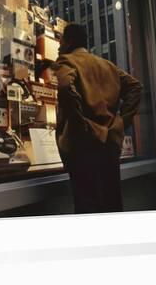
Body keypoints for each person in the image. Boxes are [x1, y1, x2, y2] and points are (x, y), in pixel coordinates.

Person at [53, 23, 142, 213]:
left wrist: (81, 126)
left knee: (87, 208)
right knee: (112, 204)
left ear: (68, 41)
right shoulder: (107, 65)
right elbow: (136, 87)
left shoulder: (66, 61)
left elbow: (65, 89)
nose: (59, 46)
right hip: (110, 145)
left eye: (61, 41)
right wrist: (120, 123)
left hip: (83, 147)